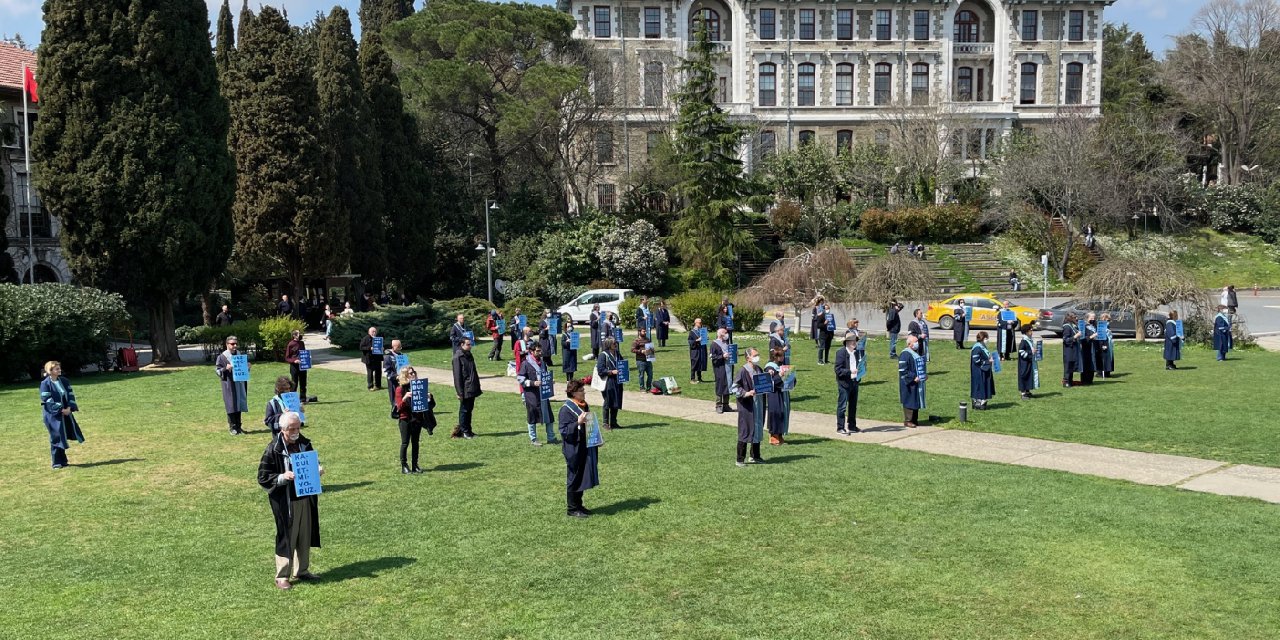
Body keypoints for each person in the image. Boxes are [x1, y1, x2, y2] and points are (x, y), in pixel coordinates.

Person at [257, 412, 324, 590]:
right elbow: (263, 477)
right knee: (287, 536)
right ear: (283, 429)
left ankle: (302, 570)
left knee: (304, 535)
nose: (296, 431)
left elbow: (313, 461)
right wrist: (282, 477)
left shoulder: (305, 443)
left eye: (297, 427)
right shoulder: (273, 449)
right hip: (286, 502)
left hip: (305, 498)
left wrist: (318, 468)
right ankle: (282, 576)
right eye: (292, 428)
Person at [558, 379, 600, 518]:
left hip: (585, 446)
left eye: (583, 390)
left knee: (582, 476)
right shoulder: (565, 409)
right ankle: (571, 508)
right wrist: (578, 422)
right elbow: (564, 431)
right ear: (573, 393)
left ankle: (579, 505)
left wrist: (597, 439)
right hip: (573, 448)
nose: (584, 393)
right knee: (574, 477)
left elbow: (590, 425)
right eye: (581, 391)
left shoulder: (584, 405)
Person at [40, 361, 84, 469]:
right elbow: (46, 399)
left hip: (66, 412)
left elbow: (70, 395)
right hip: (53, 415)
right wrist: (60, 409)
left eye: (59, 368)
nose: (59, 370)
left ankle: (63, 461)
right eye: (56, 369)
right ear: (50, 371)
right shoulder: (45, 384)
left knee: (62, 435)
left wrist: (69, 408)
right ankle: (56, 462)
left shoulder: (64, 381)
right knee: (56, 436)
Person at [395, 366, 436, 474]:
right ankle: (404, 465)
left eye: (414, 372)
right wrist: (405, 398)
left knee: (415, 443)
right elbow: (399, 407)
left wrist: (429, 397)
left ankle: (415, 465)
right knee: (405, 443)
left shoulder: (420, 387)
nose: (413, 374)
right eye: (410, 373)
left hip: (417, 419)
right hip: (405, 419)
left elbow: (430, 405)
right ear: (405, 376)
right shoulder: (400, 389)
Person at [518, 344, 558, 446]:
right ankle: (533, 439)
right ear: (532, 351)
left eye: (540, 351)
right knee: (532, 417)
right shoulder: (525, 364)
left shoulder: (543, 363)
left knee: (549, 416)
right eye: (538, 351)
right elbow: (520, 379)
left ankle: (551, 437)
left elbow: (545, 375)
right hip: (532, 395)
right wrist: (532, 383)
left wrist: (549, 381)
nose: (540, 353)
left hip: (543, 395)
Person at [733, 347, 766, 466]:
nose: (757, 357)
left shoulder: (759, 369)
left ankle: (755, 456)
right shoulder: (743, 371)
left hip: (758, 404)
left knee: (757, 429)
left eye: (758, 354)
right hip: (747, 406)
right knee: (745, 430)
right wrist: (746, 393)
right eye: (755, 355)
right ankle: (740, 459)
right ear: (748, 358)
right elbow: (734, 388)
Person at [216, 335, 249, 435]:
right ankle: (232, 427)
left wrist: (248, 366)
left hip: (239, 384)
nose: (235, 346)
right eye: (232, 344)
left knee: (239, 404)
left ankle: (239, 426)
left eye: (236, 344)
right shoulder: (222, 357)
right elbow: (217, 371)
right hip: (229, 385)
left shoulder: (239, 355)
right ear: (227, 344)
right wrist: (226, 368)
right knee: (231, 405)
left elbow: (244, 369)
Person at [833, 331, 862, 435]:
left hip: (855, 382)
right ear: (847, 342)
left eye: (855, 341)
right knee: (842, 406)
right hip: (844, 383)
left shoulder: (857, 352)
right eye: (852, 341)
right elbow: (838, 370)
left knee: (853, 406)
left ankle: (852, 426)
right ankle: (840, 427)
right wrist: (850, 371)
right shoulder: (841, 353)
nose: (855, 343)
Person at [451, 338, 481, 439]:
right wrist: (459, 392)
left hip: (472, 387)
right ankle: (464, 431)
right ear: (462, 344)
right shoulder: (458, 357)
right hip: (465, 389)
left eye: (470, 344)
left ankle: (469, 430)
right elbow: (457, 377)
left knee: (469, 410)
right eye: (468, 344)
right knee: (464, 410)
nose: (470, 346)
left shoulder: (468, 354)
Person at [763, 347, 790, 446]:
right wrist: (780, 375)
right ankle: (773, 435)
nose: (783, 357)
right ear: (776, 357)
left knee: (783, 412)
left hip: (783, 392)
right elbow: (770, 382)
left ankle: (780, 434)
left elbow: (789, 379)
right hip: (774, 394)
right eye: (781, 355)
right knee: (776, 412)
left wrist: (792, 378)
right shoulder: (769, 367)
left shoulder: (782, 365)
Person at [898, 335, 926, 427]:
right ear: (910, 344)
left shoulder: (915, 353)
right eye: (916, 341)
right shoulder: (905, 354)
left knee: (915, 399)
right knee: (909, 399)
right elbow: (903, 370)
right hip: (908, 382)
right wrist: (913, 377)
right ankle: (908, 420)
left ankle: (914, 419)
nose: (917, 343)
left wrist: (924, 375)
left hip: (917, 381)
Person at [596, 337, 624, 430]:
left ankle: (613, 422)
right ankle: (605, 423)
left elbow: (622, 365)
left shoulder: (618, 354)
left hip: (618, 381)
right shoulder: (603, 355)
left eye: (616, 342)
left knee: (616, 400)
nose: (616, 344)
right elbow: (600, 370)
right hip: (608, 381)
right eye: (614, 343)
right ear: (608, 344)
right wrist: (611, 372)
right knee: (608, 401)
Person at [970, 331, 996, 410]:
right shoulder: (977, 347)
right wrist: (988, 361)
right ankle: (979, 402)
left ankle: (980, 401)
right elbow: (976, 360)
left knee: (983, 385)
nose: (987, 340)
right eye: (986, 338)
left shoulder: (982, 346)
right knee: (979, 385)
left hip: (983, 370)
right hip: (979, 371)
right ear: (982, 338)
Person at [710, 328, 732, 413]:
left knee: (727, 385)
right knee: (720, 385)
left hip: (728, 368)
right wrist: (722, 357)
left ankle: (726, 404)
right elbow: (713, 357)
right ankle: (718, 405)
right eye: (725, 333)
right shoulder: (714, 344)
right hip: (720, 368)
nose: (727, 334)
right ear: (720, 334)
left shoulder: (726, 343)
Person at [382, 339, 405, 418]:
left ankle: (402, 409)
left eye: (400, 346)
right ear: (393, 346)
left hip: (402, 379)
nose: (400, 348)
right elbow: (386, 370)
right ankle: (394, 411)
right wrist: (395, 376)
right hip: (393, 380)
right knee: (394, 396)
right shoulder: (388, 356)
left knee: (402, 394)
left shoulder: (401, 355)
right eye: (398, 347)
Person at [284, 330, 308, 402]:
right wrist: (294, 360)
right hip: (294, 366)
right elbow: (287, 357)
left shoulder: (301, 343)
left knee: (303, 382)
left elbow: (303, 353)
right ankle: (293, 399)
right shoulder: (291, 344)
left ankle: (303, 398)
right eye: (298, 334)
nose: (299, 335)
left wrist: (307, 358)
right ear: (294, 335)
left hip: (302, 366)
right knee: (294, 383)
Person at [1017, 324, 1039, 400]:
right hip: (1024, 363)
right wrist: (1031, 352)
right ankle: (1023, 393)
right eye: (1031, 330)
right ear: (1026, 331)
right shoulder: (1024, 341)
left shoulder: (1030, 339)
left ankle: (1028, 391)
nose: (1032, 331)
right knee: (1024, 376)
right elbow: (1021, 352)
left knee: (1030, 375)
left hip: (1029, 361)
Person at [1061, 312, 1082, 386]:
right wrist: (1075, 336)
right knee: (1068, 365)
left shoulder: (1073, 326)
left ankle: (1070, 380)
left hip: (1074, 349)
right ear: (1070, 318)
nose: (1076, 318)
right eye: (1074, 317)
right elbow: (1066, 340)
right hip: (1068, 350)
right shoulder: (1067, 327)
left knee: (1072, 365)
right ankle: (1066, 381)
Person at [359, 327, 382, 391]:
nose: (374, 333)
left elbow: (382, 346)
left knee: (378, 372)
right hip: (369, 358)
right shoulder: (365, 339)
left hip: (377, 358)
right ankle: (370, 386)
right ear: (369, 332)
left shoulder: (379, 339)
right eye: (372, 331)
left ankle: (378, 385)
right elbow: (361, 347)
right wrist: (369, 348)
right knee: (370, 373)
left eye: (375, 331)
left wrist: (382, 348)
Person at [1079, 313, 1098, 385]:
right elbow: (1083, 338)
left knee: (1093, 363)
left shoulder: (1095, 326)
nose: (1093, 319)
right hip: (1086, 348)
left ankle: (1090, 380)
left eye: (1094, 318)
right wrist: (1092, 336)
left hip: (1093, 347)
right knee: (1086, 364)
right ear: (1087, 318)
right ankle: (1084, 380)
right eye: (1091, 318)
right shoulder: (1084, 327)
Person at [688, 318, 708, 384]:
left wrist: (706, 338)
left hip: (701, 349)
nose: (700, 324)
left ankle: (699, 378)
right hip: (695, 350)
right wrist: (697, 340)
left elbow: (704, 340)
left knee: (700, 363)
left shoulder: (702, 331)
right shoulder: (692, 332)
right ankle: (692, 378)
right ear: (695, 323)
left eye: (701, 322)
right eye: (699, 322)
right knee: (694, 364)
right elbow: (690, 342)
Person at [1097, 312, 1115, 377]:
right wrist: (1102, 345)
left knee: (1108, 358)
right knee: (1103, 358)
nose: (1108, 321)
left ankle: (1108, 371)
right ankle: (1101, 372)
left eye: (1109, 320)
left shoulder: (1108, 326)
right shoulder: (1100, 326)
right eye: (1107, 320)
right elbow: (1100, 336)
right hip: (1103, 343)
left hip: (1108, 343)